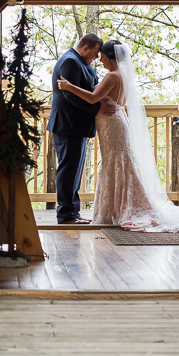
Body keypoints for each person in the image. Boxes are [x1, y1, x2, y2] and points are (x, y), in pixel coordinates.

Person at [57, 39, 179, 232]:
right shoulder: (122, 76)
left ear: (112, 59)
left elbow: (93, 97)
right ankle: (119, 207)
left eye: (103, 57)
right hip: (117, 120)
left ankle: (120, 209)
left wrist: (69, 87)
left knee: (116, 163)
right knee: (121, 163)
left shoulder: (112, 76)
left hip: (112, 125)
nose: (100, 61)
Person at [47, 34, 114, 225]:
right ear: (85, 48)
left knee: (74, 170)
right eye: (94, 53)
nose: (95, 57)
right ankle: (67, 215)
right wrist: (97, 107)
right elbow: (70, 95)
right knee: (68, 170)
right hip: (68, 124)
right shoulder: (70, 62)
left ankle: (72, 213)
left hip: (76, 125)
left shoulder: (79, 61)